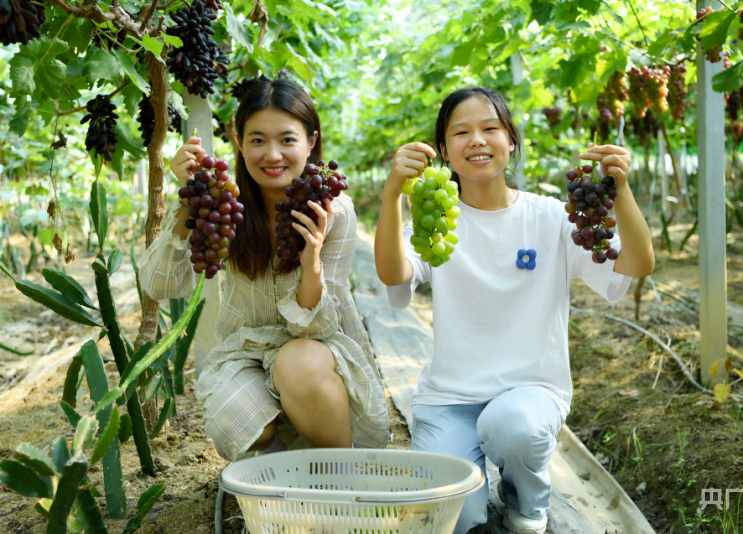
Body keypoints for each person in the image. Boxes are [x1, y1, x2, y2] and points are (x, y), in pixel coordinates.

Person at [374, 87, 654, 534]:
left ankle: (526, 502)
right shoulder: (435, 218)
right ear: (444, 151)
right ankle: (473, 499)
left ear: (512, 140)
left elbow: (638, 263)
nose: (477, 140)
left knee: (512, 425)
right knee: (454, 520)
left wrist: (621, 193)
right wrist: (392, 196)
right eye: (461, 132)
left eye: (490, 128)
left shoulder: (551, 217)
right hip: (450, 399)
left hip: (530, 394)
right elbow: (393, 275)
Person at [138, 79, 389, 461]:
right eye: (257, 140)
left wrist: (311, 264)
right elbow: (159, 284)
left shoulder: (333, 211)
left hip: (316, 353)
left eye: (287, 140)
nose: (272, 154)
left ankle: (342, 474)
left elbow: (318, 328)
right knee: (233, 419)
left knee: (298, 364)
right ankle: (282, 474)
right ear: (239, 143)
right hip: (246, 351)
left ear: (311, 141)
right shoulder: (222, 203)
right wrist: (190, 199)